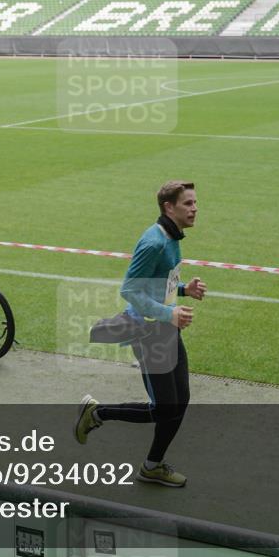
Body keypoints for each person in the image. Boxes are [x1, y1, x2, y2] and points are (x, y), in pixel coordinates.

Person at [75, 181, 206, 487]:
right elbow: (130, 290)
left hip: (166, 328)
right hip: (148, 333)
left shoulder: (171, 237)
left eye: (195, 202)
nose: (195, 209)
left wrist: (184, 290)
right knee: (164, 408)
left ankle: (152, 466)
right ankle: (96, 413)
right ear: (169, 207)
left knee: (180, 401)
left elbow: (157, 283)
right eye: (187, 203)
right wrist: (169, 314)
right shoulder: (154, 242)